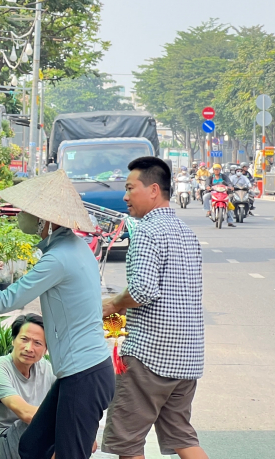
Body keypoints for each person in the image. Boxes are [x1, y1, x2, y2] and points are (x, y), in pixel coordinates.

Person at [0, 170, 114, 459]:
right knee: (32, 447)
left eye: (26, 211)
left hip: (84, 376)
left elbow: (4, 301)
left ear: (47, 220)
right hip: (82, 373)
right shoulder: (75, 247)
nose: (21, 216)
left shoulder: (58, 259)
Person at [101, 157, 208, 459]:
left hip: (150, 355)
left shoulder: (146, 231)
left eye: (130, 188)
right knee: (182, 436)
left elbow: (142, 291)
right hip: (187, 356)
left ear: (153, 190)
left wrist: (112, 304)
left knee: (128, 441)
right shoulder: (186, 233)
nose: (125, 196)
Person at [0, 313, 56, 459]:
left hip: (22, 440)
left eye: (37, 343)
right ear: (13, 341)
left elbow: (71, 401)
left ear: (46, 349)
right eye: (24, 339)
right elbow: (26, 414)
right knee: (39, 423)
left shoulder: (46, 369)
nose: (29, 348)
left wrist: (85, 433)